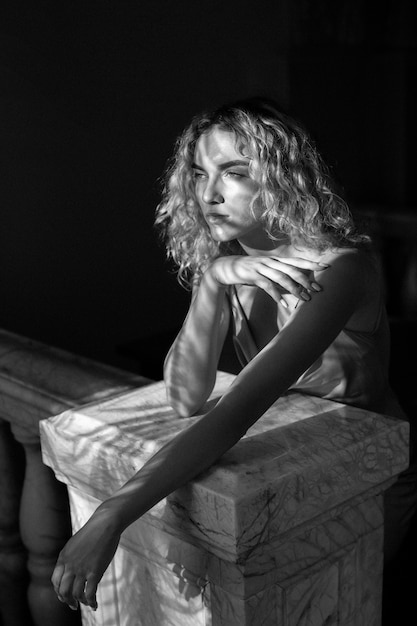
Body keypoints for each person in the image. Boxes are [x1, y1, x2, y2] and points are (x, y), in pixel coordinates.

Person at [52, 97, 412, 612]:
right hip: (289, 464)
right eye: (198, 173)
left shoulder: (339, 268)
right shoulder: (232, 261)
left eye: (234, 172)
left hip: (367, 471)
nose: (207, 194)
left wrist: (113, 513)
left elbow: (237, 409)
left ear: (284, 179)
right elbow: (183, 397)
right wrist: (213, 281)